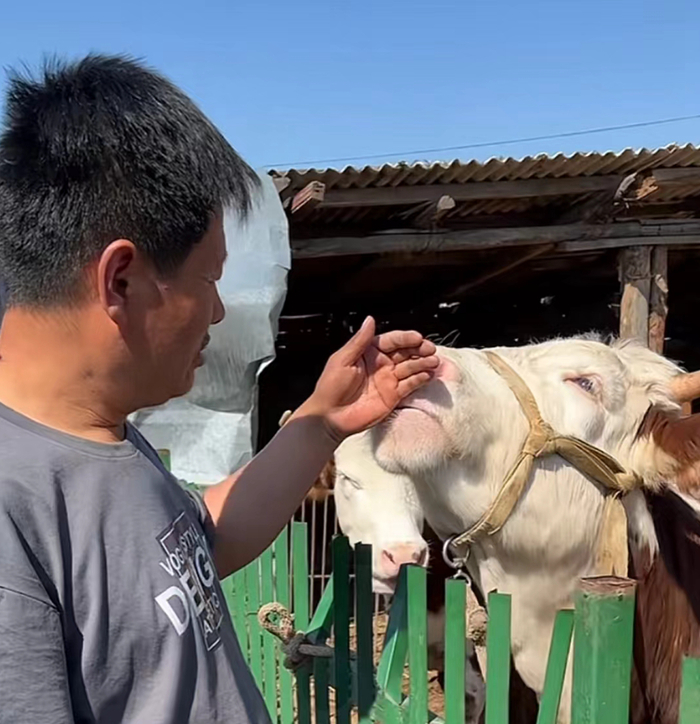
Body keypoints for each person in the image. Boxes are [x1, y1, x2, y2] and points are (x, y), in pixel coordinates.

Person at [0, 54, 438, 723]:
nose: (218, 311)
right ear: (121, 280)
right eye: (209, 280)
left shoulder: (105, 436)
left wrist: (321, 422)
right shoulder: (16, 512)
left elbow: (198, 545)